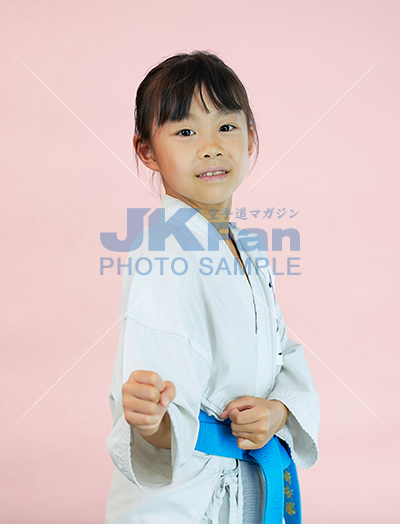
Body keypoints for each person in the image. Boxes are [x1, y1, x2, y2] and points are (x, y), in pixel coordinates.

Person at [105, 50, 320, 524]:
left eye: (226, 126)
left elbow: (283, 353)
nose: (211, 147)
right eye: (185, 132)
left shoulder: (249, 249)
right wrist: (151, 420)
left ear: (251, 136)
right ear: (147, 150)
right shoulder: (161, 250)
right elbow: (161, 404)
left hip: (243, 480)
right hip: (186, 500)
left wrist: (278, 412)